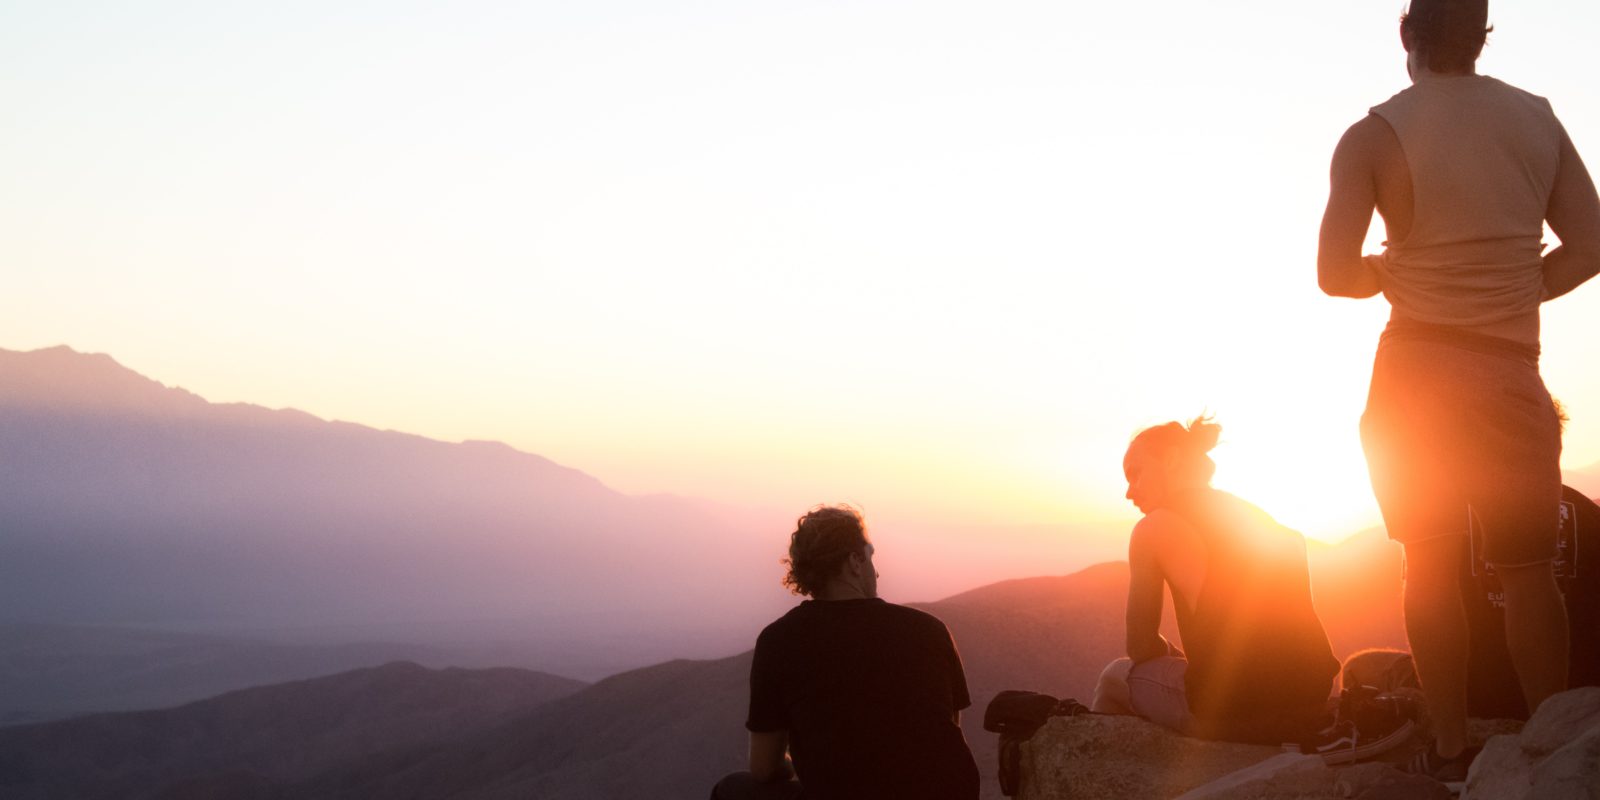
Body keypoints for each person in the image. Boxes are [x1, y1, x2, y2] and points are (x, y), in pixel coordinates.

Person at [1318, 0, 1600, 781]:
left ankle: (1449, 748)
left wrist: (1391, 271)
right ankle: (1554, 747)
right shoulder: (1536, 119)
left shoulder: (1372, 135)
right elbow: (1594, 242)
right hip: (1508, 369)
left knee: (1431, 567)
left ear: (1408, 35)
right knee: (1529, 572)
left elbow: (1334, 276)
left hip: (1414, 375)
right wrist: (1514, 289)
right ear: (1482, 38)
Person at [1091, 417, 1339, 745]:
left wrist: (1172, 654)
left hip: (1238, 716)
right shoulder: (1263, 520)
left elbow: (1140, 647)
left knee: (1113, 678)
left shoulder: (1153, 527)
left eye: (1136, 473)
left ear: (1171, 460)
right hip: (1315, 705)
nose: (1129, 491)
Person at [712, 505, 979, 800]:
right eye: (870, 556)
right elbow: (947, 732)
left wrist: (794, 765)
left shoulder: (780, 641)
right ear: (854, 561)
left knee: (730, 790)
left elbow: (763, 768)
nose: (875, 570)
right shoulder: (929, 629)